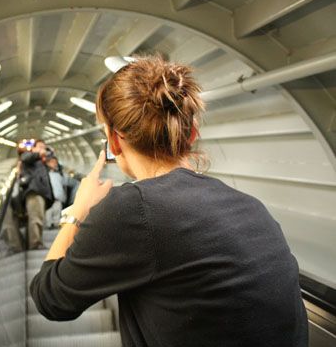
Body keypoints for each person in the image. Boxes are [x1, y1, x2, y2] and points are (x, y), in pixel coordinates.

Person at [30, 56, 308, 346]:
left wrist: (78, 212)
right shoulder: (251, 205)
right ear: (192, 133)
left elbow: (49, 298)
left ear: (114, 141)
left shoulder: (131, 209)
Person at [20, 139, 54, 249]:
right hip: (34, 191)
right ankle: (35, 244)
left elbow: (51, 156)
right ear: (33, 148)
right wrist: (39, 153)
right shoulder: (28, 155)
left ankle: (37, 242)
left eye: (43, 147)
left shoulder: (41, 160)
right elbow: (24, 158)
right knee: (35, 219)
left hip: (41, 192)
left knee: (39, 218)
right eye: (39, 146)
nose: (42, 149)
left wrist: (47, 151)